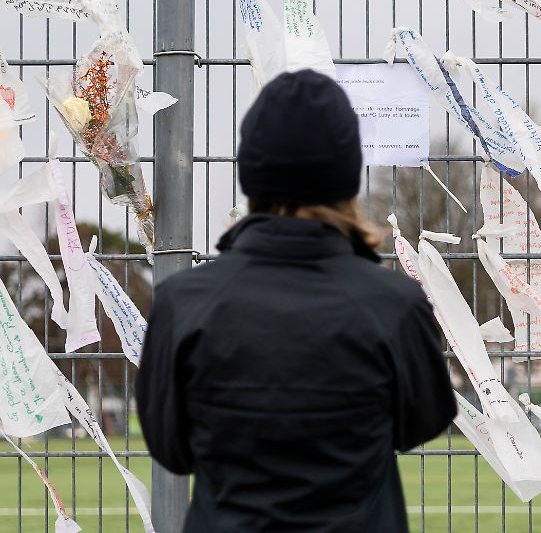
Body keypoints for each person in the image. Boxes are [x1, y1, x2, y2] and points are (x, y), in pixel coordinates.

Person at [137, 69, 456, 532]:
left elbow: (172, 449)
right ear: (345, 174)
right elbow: (424, 422)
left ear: (252, 173)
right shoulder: (393, 304)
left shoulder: (183, 304)